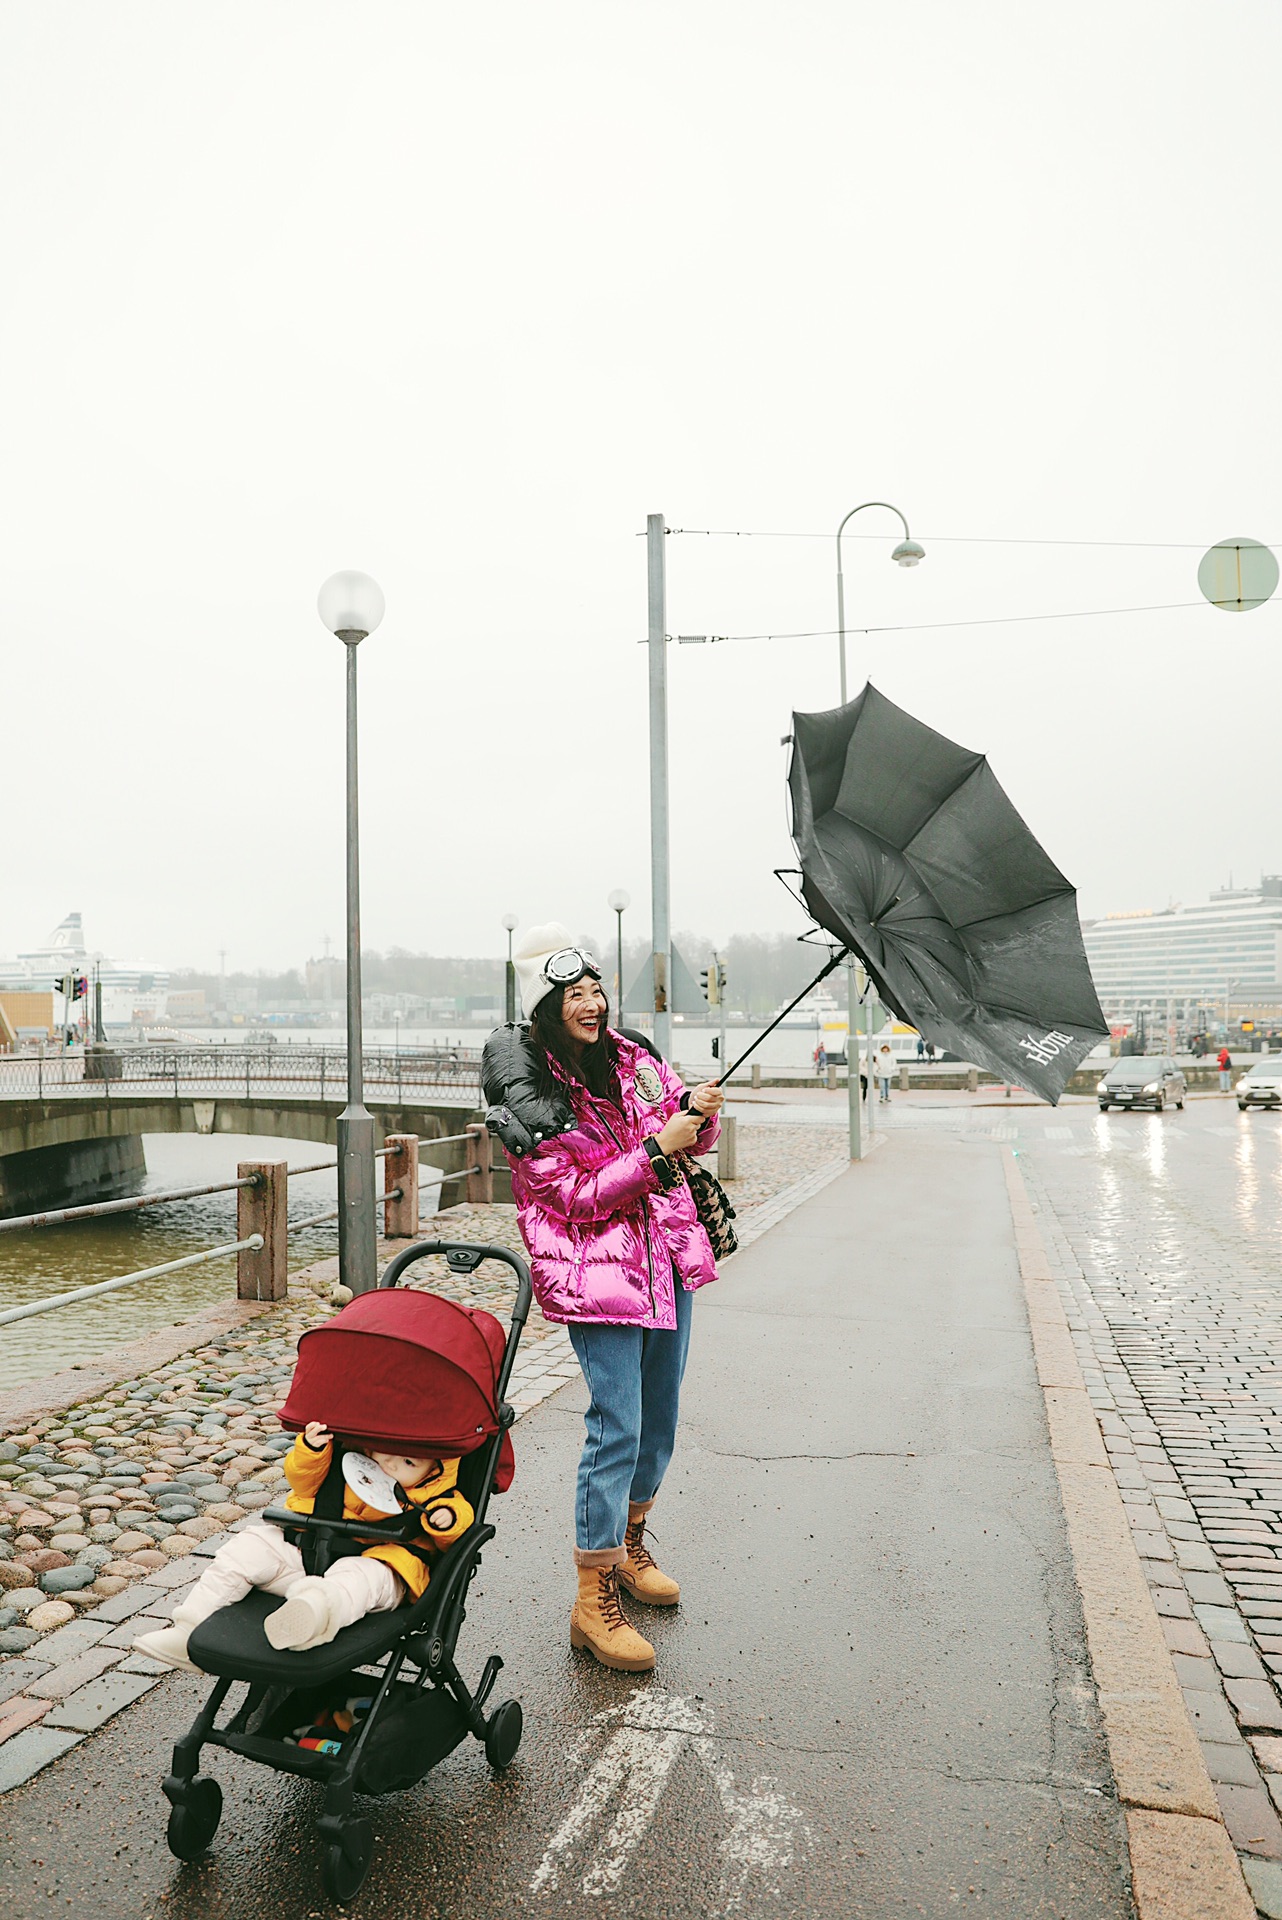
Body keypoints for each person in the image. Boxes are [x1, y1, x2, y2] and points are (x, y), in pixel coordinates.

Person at [487, 922, 723, 1674]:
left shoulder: (634, 1059)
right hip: (598, 1276)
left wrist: (699, 1115)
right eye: (574, 994)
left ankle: (629, 1546)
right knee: (616, 1425)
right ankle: (592, 1602)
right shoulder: (528, 1093)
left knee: (660, 1421)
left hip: (667, 1261)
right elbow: (575, 1195)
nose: (592, 1003)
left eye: (596, 989)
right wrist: (660, 1150)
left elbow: (685, 1135)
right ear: (547, 1009)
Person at [133, 1422, 473, 1669]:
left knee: (358, 1577)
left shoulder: (437, 1495)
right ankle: (189, 1627)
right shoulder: (349, 1458)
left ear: (435, 1470)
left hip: (383, 1569)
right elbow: (304, 1484)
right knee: (252, 1544)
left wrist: (444, 1518)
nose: (391, 1464)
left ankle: (310, 1619)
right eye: (389, 1451)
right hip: (309, 1554)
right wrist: (312, 1450)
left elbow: (459, 1524)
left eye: (409, 1463)